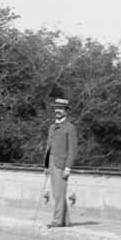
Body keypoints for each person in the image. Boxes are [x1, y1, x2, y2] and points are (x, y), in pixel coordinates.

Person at [44, 97, 78, 227]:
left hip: (61, 165)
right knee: (57, 193)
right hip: (51, 162)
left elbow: (72, 150)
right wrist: (46, 165)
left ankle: (57, 220)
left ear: (66, 111)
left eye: (61, 108)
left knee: (59, 193)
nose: (58, 111)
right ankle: (66, 220)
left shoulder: (70, 128)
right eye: (57, 108)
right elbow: (48, 147)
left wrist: (68, 168)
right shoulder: (52, 127)